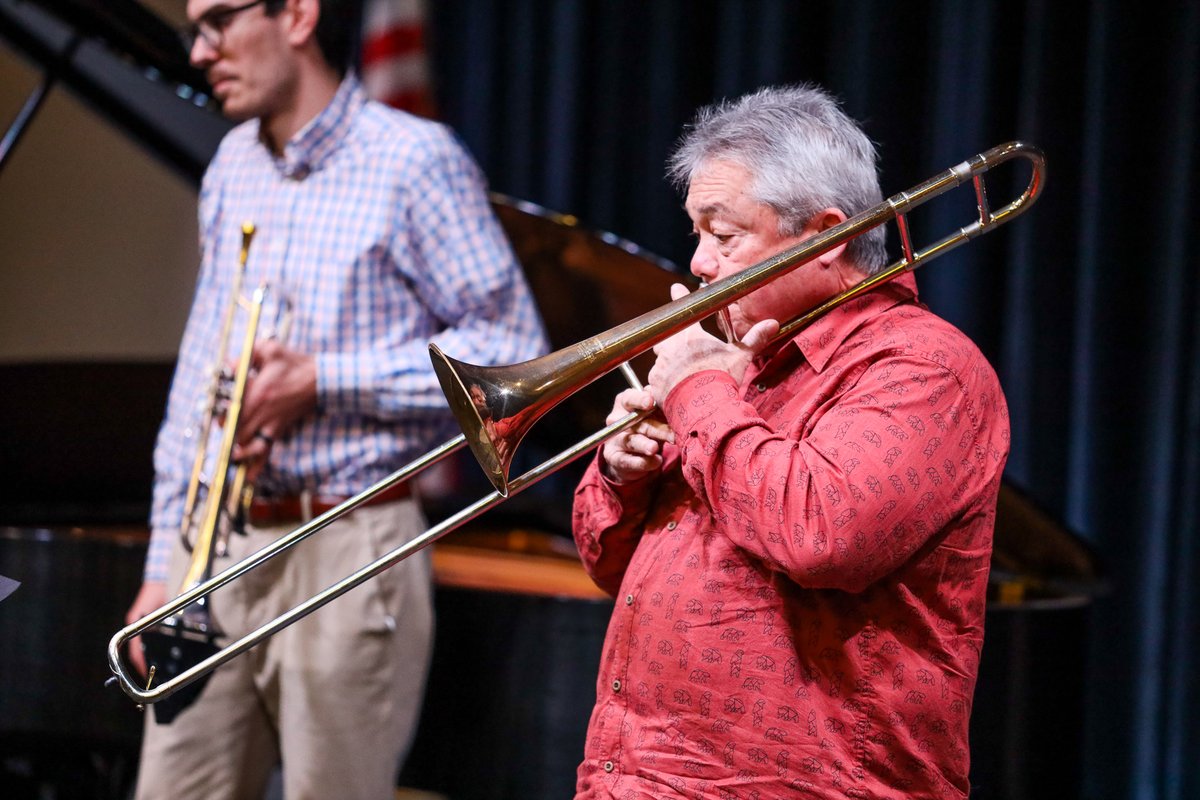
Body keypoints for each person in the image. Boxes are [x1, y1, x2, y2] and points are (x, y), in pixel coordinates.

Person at [124, 1, 548, 798]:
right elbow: (200, 372)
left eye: (217, 21)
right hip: (216, 545)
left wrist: (326, 379)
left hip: (349, 543)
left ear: (297, 14)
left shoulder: (413, 159)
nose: (202, 51)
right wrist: (162, 563)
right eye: (194, 31)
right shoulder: (231, 164)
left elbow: (513, 351)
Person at [571, 84, 1009, 799]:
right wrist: (625, 474)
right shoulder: (735, 368)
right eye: (697, 234)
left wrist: (697, 392)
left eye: (725, 233)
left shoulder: (925, 369)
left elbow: (821, 536)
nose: (701, 265)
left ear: (826, 235)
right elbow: (607, 565)